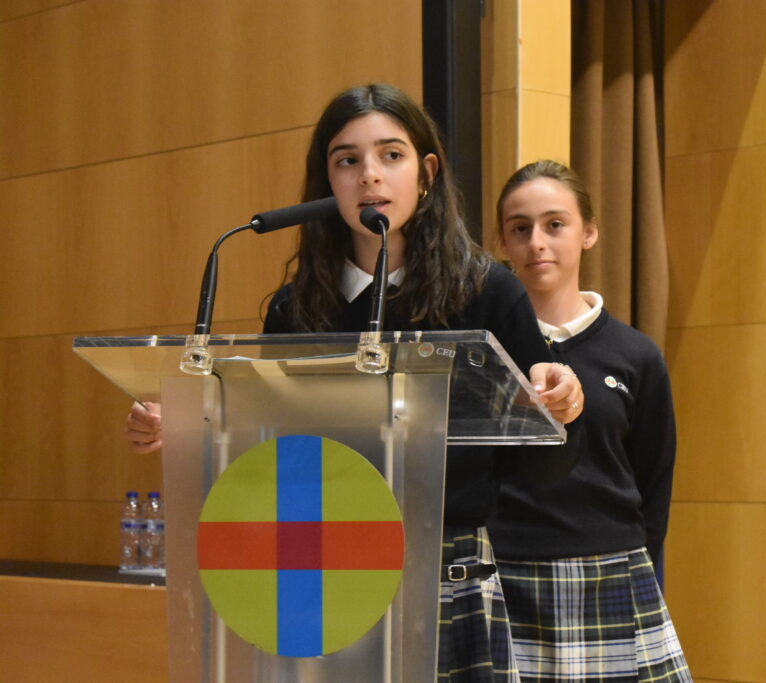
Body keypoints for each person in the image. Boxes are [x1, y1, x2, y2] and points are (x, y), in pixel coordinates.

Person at [124, 84, 584, 682]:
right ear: (327, 184)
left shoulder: (487, 292)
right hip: (318, 576)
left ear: (426, 174)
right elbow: (266, 457)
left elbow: (546, 467)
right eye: (347, 161)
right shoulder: (294, 310)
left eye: (390, 156)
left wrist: (560, 409)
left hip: (448, 578)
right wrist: (188, 424)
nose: (370, 176)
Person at [487, 160, 692, 681]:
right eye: (520, 228)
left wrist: (642, 575)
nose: (537, 241)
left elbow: (653, 483)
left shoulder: (637, 355)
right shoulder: (481, 350)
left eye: (555, 224)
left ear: (589, 233)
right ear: (502, 243)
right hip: (502, 575)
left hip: (608, 574)